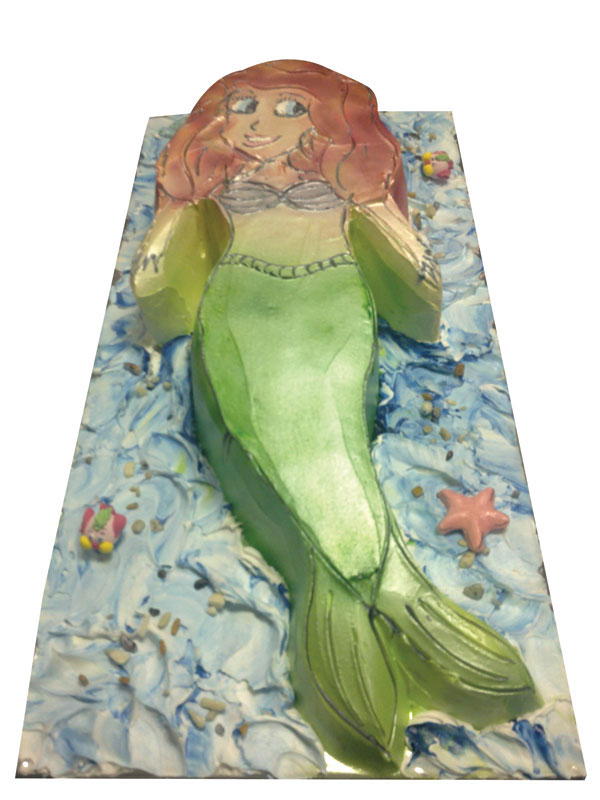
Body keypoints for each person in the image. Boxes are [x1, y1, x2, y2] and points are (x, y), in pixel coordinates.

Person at [132, 60, 539, 773]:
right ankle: (402, 625)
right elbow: (156, 286)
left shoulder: (351, 183)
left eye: (290, 107)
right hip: (240, 310)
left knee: (337, 457)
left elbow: (418, 283)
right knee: (268, 452)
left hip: (334, 308)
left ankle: (359, 642)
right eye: (242, 106)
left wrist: (400, 246)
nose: (260, 123)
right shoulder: (212, 186)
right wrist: (170, 226)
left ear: (325, 120)